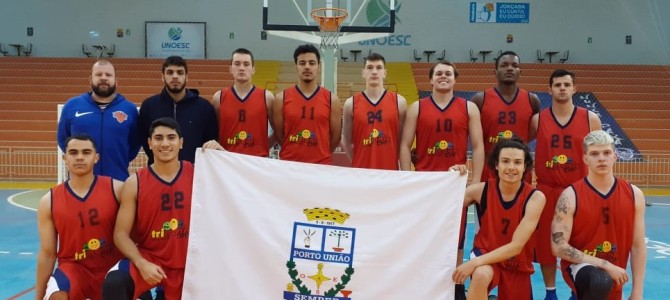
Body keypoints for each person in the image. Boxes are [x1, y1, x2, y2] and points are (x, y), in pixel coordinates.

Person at [400, 61, 485, 299]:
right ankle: (421, 284)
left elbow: (478, 147)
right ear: (431, 79)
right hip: (425, 184)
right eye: (439, 73)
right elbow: (405, 146)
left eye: (448, 73)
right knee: (423, 235)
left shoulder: (468, 108)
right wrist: (407, 177)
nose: (443, 77)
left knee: (455, 237)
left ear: (455, 79)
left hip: (453, 184)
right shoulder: (417, 107)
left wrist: (475, 182)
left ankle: (456, 288)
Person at [102, 118, 194, 300]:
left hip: (190, 262)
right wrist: (141, 263)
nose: (165, 143)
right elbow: (120, 235)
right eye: (158, 138)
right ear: (150, 143)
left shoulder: (198, 174)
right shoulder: (135, 183)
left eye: (171, 138)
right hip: (151, 257)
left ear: (181, 143)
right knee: (115, 282)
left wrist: (221, 155)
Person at [551, 130, 646, 300]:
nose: (601, 158)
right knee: (598, 281)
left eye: (606, 153)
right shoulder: (570, 196)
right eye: (594, 154)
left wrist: (637, 293)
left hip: (616, 272)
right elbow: (558, 246)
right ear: (585, 159)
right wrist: (605, 264)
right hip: (580, 266)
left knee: (604, 283)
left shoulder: (634, 194)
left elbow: (638, 246)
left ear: (615, 156)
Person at [532, 69, 602, 300]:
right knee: (546, 245)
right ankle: (550, 293)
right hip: (547, 189)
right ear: (549, 89)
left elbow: (600, 153)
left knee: (579, 241)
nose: (562, 88)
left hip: (579, 190)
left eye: (566, 84)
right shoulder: (538, 119)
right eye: (557, 85)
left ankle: (575, 289)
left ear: (574, 88)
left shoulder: (590, 118)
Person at [452, 138, 546, 300]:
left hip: (516, 262)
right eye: (505, 161)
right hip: (485, 254)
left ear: (525, 167)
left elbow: (516, 246)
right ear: (496, 164)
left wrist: (473, 262)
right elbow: (442, 202)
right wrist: (451, 179)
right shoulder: (480, 191)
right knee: (481, 275)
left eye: (517, 162)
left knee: (479, 267)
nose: (511, 167)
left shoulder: (535, 198)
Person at [35, 134, 123, 300]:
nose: (80, 157)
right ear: (65, 158)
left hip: (112, 266)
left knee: (120, 284)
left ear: (96, 158)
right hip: (74, 267)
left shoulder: (117, 189)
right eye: (73, 153)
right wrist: (38, 297)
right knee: (57, 295)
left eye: (86, 152)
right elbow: (47, 253)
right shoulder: (49, 201)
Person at [57, 60, 140, 181]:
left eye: (108, 75)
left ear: (116, 80)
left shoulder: (129, 109)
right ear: (90, 80)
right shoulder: (72, 105)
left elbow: (134, 144)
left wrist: (116, 160)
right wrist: (81, 159)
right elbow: (63, 139)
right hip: (80, 183)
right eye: (99, 74)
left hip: (117, 181)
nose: (103, 78)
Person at [469, 51, 541, 182]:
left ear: (520, 71)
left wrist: (515, 140)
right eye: (504, 65)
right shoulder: (480, 99)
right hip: (489, 171)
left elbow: (532, 132)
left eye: (515, 65)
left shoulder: (532, 100)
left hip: (520, 172)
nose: (510, 68)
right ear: (495, 72)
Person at [137, 55, 218, 164]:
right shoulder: (149, 106)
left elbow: (210, 142)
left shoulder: (204, 107)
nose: (175, 76)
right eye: (170, 72)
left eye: (180, 73)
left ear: (187, 77)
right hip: (159, 173)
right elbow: (145, 140)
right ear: (162, 76)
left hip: (193, 174)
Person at [271, 44, 342, 164]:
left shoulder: (332, 100)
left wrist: (321, 153)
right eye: (302, 63)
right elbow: (279, 134)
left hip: (321, 166)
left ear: (319, 67)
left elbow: (336, 137)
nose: (307, 67)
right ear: (296, 66)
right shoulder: (281, 99)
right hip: (290, 164)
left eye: (312, 63)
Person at [202, 48, 275, 156]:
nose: (241, 68)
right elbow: (214, 133)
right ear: (230, 69)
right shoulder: (219, 98)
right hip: (227, 160)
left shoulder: (267, 97)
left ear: (253, 69)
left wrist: (262, 147)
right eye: (237, 64)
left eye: (246, 64)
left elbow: (278, 131)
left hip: (257, 161)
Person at [341, 52, 407, 170]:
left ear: (385, 73)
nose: (374, 71)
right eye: (370, 67)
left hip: (389, 171)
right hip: (361, 173)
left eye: (379, 67)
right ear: (363, 73)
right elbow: (346, 141)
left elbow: (402, 142)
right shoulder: (350, 104)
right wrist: (357, 162)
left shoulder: (399, 102)